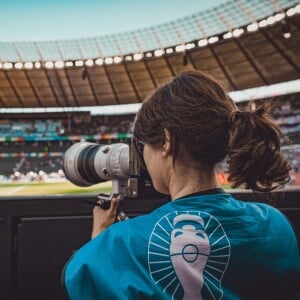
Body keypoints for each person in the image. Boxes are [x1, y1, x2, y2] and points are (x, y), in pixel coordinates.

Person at [62, 71, 299, 299]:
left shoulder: (122, 245)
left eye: (143, 146)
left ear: (166, 141)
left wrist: (101, 238)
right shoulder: (274, 224)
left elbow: (78, 279)